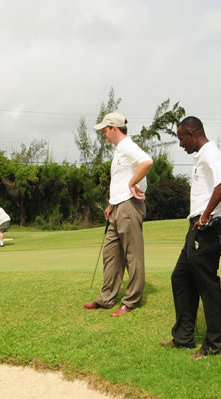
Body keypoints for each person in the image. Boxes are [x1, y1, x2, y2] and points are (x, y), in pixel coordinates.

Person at [161, 116, 221, 360]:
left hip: (207, 227)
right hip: (197, 226)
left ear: (192, 134)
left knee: (206, 284)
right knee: (181, 277)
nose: (180, 144)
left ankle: (214, 346)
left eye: (181, 138)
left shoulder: (209, 153)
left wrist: (205, 216)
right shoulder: (202, 156)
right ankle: (183, 337)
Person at [83, 112, 152, 318]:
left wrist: (132, 184)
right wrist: (111, 204)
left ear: (114, 128)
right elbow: (121, 180)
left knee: (132, 255)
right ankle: (106, 298)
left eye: (104, 130)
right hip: (118, 207)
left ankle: (131, 301)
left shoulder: (128, 146)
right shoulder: (118, 151)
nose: (103, 134)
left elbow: (146, 162)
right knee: (111, 253)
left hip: (130, 207)